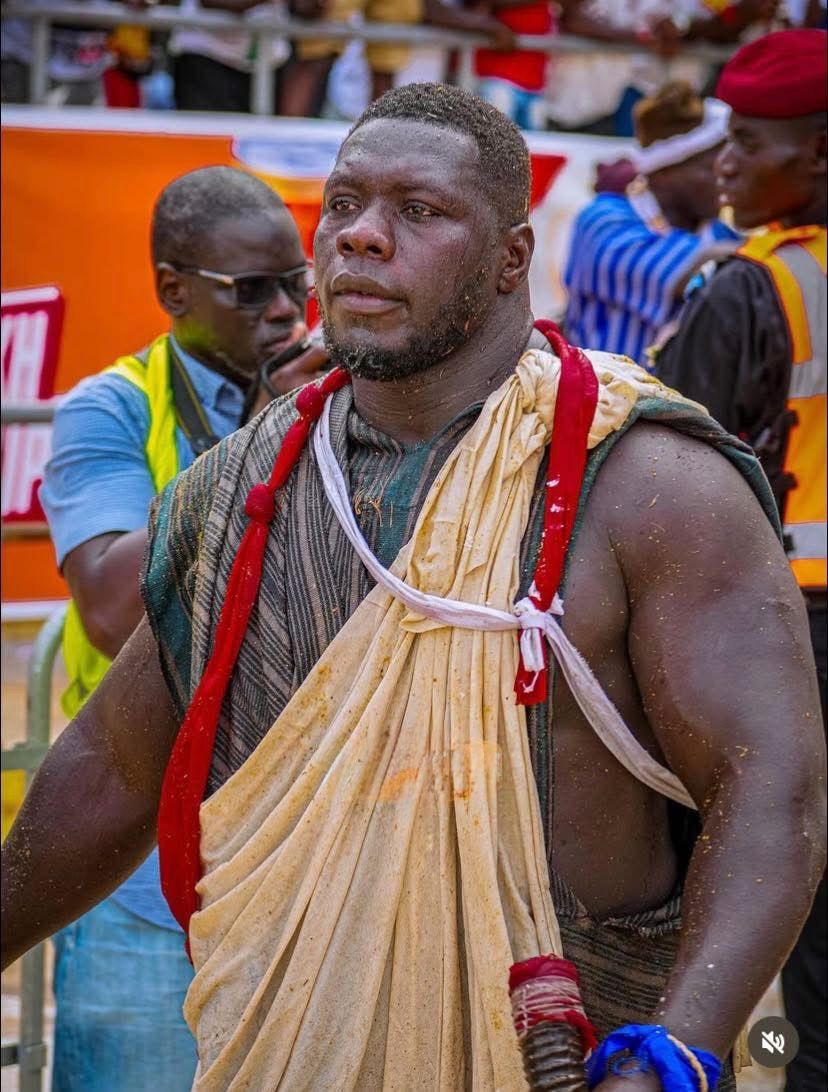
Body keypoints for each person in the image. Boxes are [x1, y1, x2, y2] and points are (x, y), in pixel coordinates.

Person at [2, 85, 825, 1091]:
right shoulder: (239, 490)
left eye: (418, 212)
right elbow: (110, 765)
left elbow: (772, 791)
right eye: (343, 205)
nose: (361, 239)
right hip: (288, 1046)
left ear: (512, 258)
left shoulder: (649, 483)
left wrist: (675, 1051)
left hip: (570, 1054)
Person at [37, 165, 325, 1092]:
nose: (286, 312)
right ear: (173, 290)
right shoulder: (111, 407)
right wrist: (266, 434)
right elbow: (114, 606)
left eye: (298, 284)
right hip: (138, 830)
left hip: (302, 827)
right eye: (253, 290)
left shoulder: (342, 396)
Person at [654, 29, 827, 1091]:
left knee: (741, 905)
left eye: (750, 140)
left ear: (819, 158)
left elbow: (677, 483)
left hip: (782, 636)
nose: (724, 159)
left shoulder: (754, 290)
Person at [563, 80, 738, 366]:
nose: (728, 176)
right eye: (714, 167)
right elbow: (698, 268)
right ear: (666, 171)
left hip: (685, 407)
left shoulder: (717, 231)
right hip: (596, 401)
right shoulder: (603, 221)